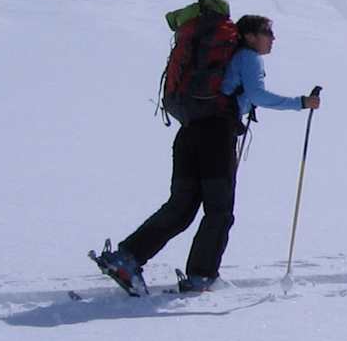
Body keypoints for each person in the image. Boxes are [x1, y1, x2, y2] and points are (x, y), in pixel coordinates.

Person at [97, 15, 320, 293]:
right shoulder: (248, 57)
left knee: (181, 207)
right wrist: (301, 103)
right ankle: (201, 277)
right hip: (216, 137)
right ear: (249, 36)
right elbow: (258, 95)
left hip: (189, 133)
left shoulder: (219, 61)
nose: (272, 38)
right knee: (219, 210)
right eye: (267, 32)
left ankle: (126, 258)